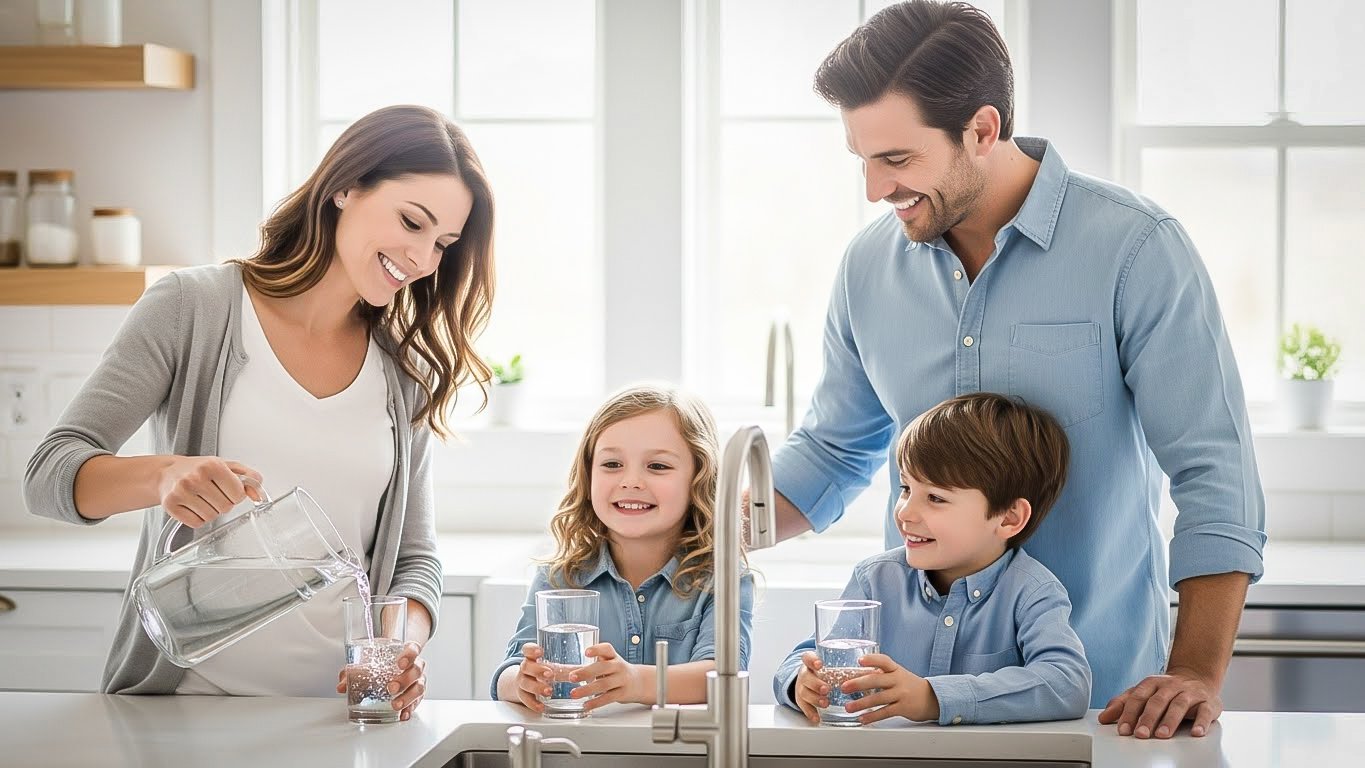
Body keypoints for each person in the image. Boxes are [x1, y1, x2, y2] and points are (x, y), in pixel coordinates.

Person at [766, 0, 1265, 740]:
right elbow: (834, 452)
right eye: (862, 159)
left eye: (897, 159)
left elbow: (1213, 472)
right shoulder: (868, 266)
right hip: (911, 717)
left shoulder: (1134, 248)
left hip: (1095, 707)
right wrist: (665, 520)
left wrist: (1193, 671)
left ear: (982, 129)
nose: (873, 189)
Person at [24, 105, 496, 720]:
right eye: (411, 221)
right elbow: (49, 476)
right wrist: (164, 475)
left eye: (443, 244)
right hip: (186, 711)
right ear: (345, 187)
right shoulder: (194, 308)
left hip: (341, 721)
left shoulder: (403, 371)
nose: (423, 258)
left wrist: (395, 650)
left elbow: (413, 557)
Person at [776, 393, 1090, 726]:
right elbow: (804, 657)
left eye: (936, 497)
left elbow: (1067, 683)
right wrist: (801, 683)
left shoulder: (1031, 591)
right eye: (906, 488)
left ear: (1009, 518)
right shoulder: (875, 579)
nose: (905, 512)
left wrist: (932, 698)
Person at [493, 385, 755, 712]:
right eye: (612, 464)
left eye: (658, 466)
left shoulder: (722, 580)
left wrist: (635, 681)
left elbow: (723, 676)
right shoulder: (560, 577)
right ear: (588, 476)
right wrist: (522, 681)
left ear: (698, 479)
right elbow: (509, 670)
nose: (631, 481)